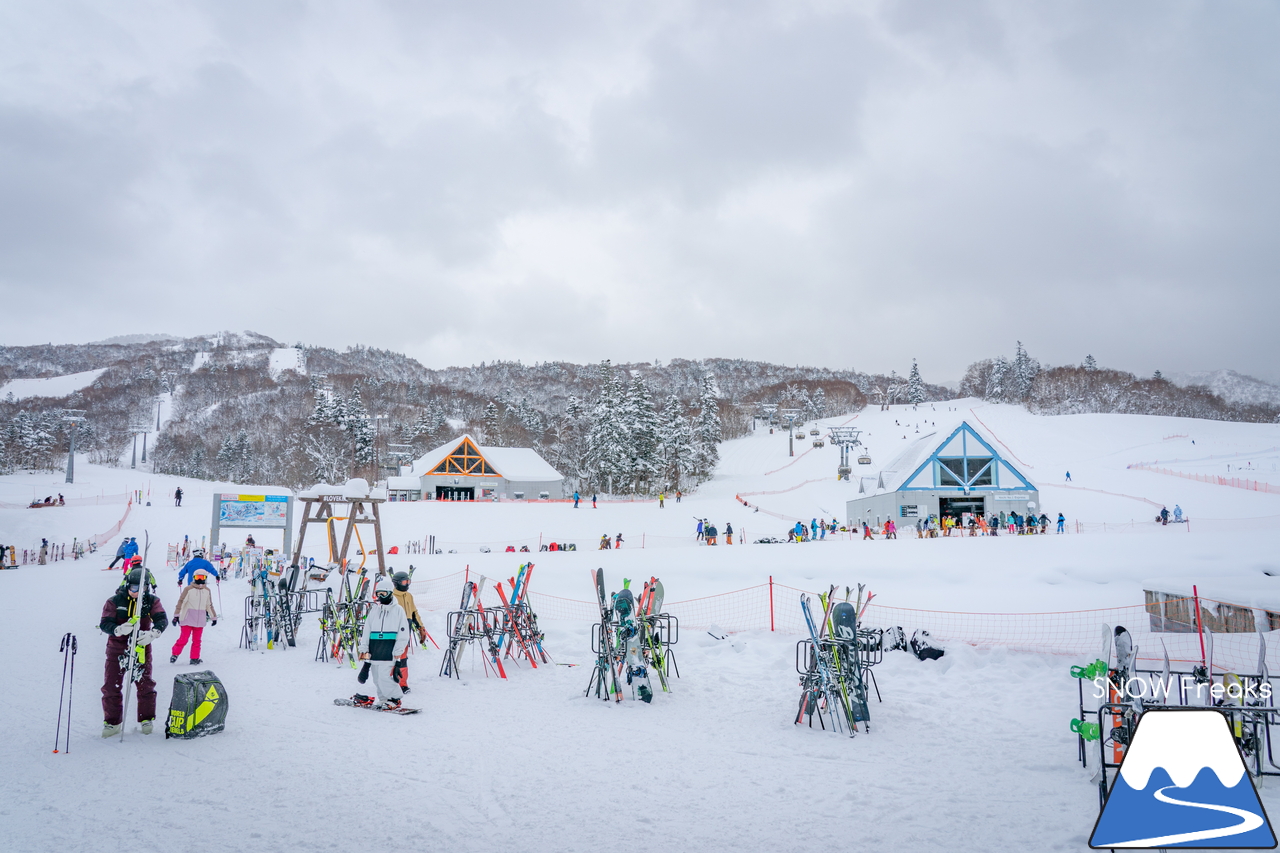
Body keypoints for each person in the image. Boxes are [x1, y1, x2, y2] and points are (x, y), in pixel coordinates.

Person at [100, 566, 168, 737]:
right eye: (134, 588)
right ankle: (112, 722)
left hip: (140, 648)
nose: (137, 592)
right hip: (117, 648)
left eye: (143, 588)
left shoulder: (151, 601)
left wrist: (154, 633)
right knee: (111, 685)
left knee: (145, 684)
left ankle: (146, 718)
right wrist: (117, 629)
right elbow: (105, 623)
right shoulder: (114, 601)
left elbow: (161, 618)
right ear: (128, 585)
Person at [353, 581, 411, 710]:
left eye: (383, 593)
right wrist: (365, 653)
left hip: (389, 650)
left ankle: (395, 699)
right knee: (377, 678)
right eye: (378, 594)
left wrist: (398, 652)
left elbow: (403, 633)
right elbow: (367, 631)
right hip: (375, 650)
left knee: (385, 677)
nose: (380, 596)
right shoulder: (374, 610)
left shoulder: (398, 610)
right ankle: (383, 699)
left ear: (390, 593)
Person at [391, 571, 429, 694]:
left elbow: (414, 612)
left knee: (403, 659)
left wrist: (420, 627)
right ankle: (392, 682)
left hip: (406, 631)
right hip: (394, 631)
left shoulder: (408, 596)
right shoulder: (392, 597)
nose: (407, 584)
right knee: (394, 658)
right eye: (404, 582)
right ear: (397, 583)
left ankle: (402, 683)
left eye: (408, 581)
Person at [170, 569, 217, 664]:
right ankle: (175, 654)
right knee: (184, 639)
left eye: (202, 577)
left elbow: (209, 605)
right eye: (197, 577)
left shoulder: (207, 591)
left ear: (205, 578)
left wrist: (213, 617)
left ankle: (194, 658)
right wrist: (176, 616)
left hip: (199, 620)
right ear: (194, 578)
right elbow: (181, 602)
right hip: (187, 618)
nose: (200, 580)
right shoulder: (188, 589)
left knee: (197, 641)